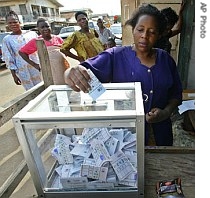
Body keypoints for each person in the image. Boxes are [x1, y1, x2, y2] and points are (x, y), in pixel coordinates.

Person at [64, 4, 183, 146]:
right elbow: (83, 69)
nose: (144, 36)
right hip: (126, 137)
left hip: (161, 134)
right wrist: (69, 73)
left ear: (158, 35)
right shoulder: (115, 56)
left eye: (152, 32)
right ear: (133, 29)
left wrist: (165, 112)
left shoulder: (166, 60)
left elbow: (176, 94)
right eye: (140, 30)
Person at [2, 11, 42, 91]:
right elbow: (9, 59)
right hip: (22, 70)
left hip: (37, 66)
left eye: (15, 22)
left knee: (42, 87)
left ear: (19, 22)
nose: (13, 24)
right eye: (10, 23)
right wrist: (14, 76)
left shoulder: (31, 34)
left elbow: (40, 49)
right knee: (31, 91)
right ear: (7, 24)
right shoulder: (7, 40)